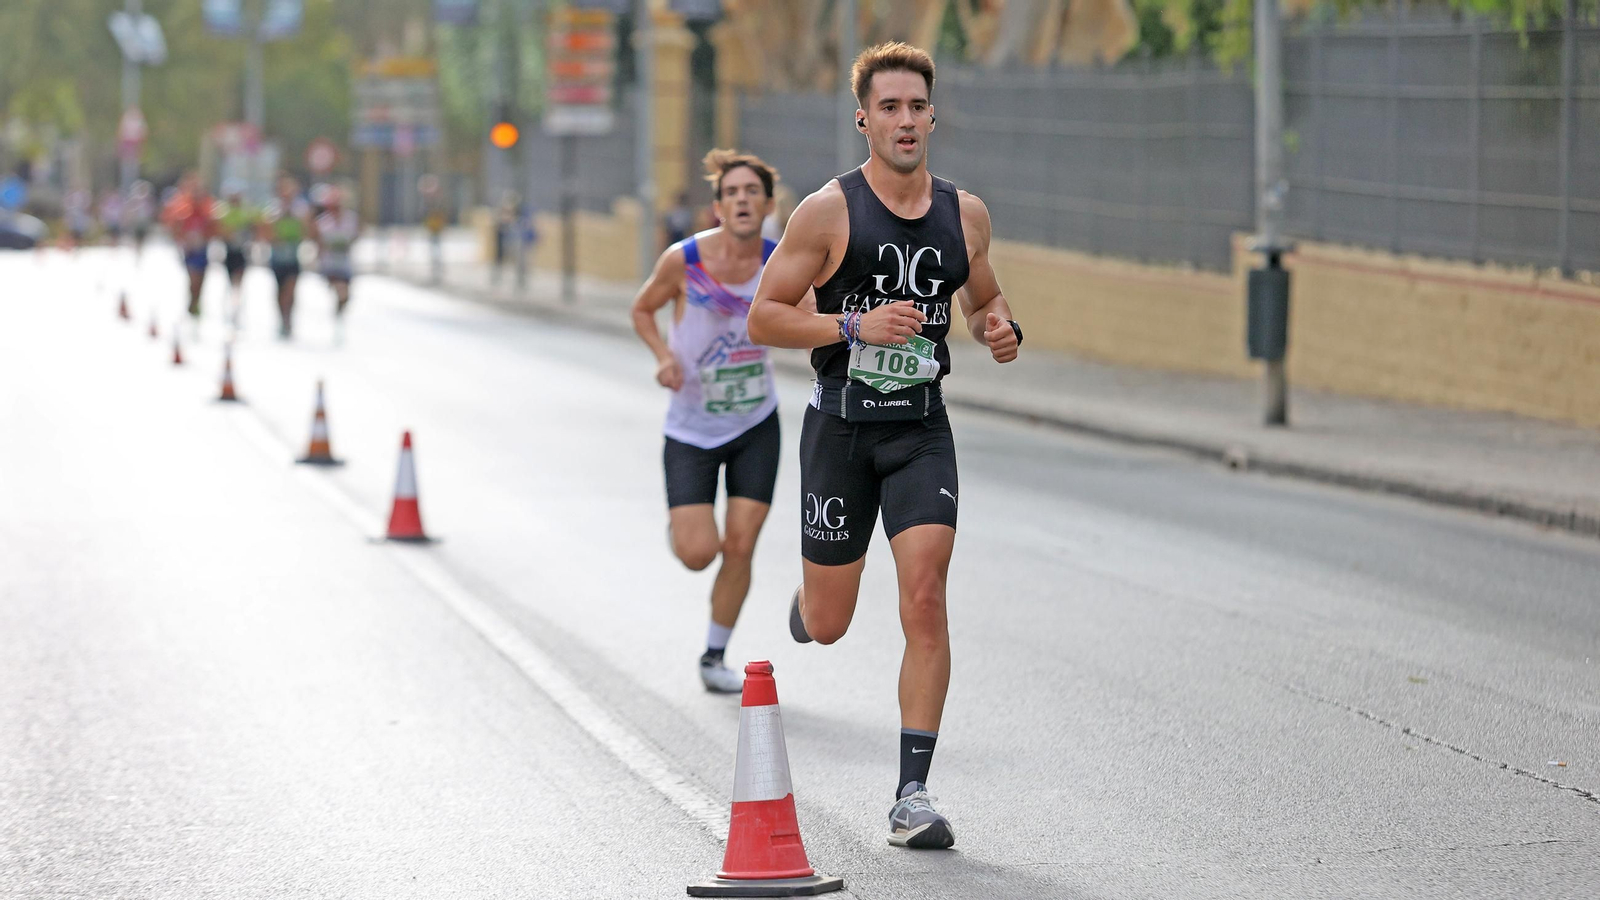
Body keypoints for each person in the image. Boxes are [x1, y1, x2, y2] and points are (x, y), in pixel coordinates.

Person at [746, 42, 1023, 850]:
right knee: (831, 621)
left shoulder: (965, 214)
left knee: (925, 595)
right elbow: (765, 316)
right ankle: (809, 603)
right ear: (863, 120)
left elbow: (983, 297)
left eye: (917, 107)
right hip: (839, 429)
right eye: (890, 107)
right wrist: (852, 325)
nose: (906, 120)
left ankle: (912, 795)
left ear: (933, 117)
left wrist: (998, 327)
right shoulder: (827, 212)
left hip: (919, 430)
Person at [630, 150, 795, 694]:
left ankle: (714, 654)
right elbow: (642, 309)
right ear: (718, 207)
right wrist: (663, 356)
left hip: (755, 422)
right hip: (691, 428)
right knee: (700, 553)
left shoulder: (780, 263)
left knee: (741, 544)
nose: (742, 200)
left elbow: (811, 313)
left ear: (768, 206)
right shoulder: (684, 260)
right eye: (732, 193)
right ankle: (684, 531)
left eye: (753, 192)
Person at [259, 174, 311, 339]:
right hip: (277, 257)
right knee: (280, 290)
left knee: (291, 289)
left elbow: (307, 229)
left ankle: (289, 318)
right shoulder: (273, 208)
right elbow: (265, 231)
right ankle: (282, 318)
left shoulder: (300, 208)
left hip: (293, 257)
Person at [160, 172, 216, 324]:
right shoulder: (183, 206)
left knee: (201, 277)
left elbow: (213, 226)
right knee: (193, 277)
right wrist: (183, 240)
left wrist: (207, 237)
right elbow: (174, 225)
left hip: (203, 247)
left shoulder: (207, 206)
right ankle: (192, 301)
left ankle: (196, 300)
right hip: (189, 249)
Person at [315, 185, 360, 341]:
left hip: (345, 264)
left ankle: (338, 315)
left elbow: (355, 236)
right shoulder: (323, 221)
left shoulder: (351, 219)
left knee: (345, 296)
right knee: (340, 289)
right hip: (330, 264)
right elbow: (319, 242)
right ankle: (337, 318)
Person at [215, 182, 259, 328]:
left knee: (239, 279)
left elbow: (254, 228)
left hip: (242, 251)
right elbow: (219, 230)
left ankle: (237, 304)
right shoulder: (223, 211)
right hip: (229, 251)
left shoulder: (246, 211)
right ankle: (231, 303)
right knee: (230, 279)